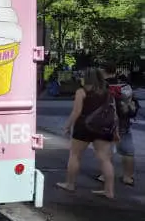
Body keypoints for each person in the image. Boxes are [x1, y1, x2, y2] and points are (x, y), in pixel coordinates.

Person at [58, 67, 117, 199]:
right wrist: (116, 131)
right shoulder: (107, 92)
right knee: (105, 159)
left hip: (83, 127)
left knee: (75, 156)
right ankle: (109, 191)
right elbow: (113, 112)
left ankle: (70, 184)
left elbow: (76, 111)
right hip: (102, 128)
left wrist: (67, 126)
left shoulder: (82, 91)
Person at [94, 64, 137, 186]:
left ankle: (104, 175)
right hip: (124, 122)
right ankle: (128, 177)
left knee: (106, 150)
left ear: (103, 71)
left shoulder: (101, 86)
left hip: (105, 123)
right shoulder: (124, 85)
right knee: (128, 151)